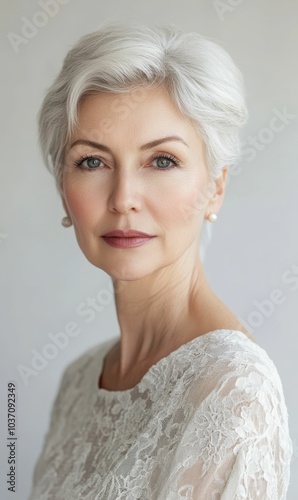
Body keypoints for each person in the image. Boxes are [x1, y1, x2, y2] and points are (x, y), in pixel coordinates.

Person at [28, 20, 293, 499]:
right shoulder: (78, 382)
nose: (124, 197)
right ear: (63, 191)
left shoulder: (233, 390)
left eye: (162, 160)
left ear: (216, 187)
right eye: (93, 161)